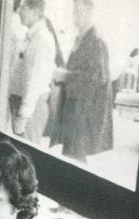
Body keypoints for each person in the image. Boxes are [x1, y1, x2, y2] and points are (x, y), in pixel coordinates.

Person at [47, 0, 113, 161]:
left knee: (75, 157)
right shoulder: (82, 39)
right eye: (74, 11)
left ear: (90, 13)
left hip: (84, 113)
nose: (74, 16)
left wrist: (65, 76)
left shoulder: (96, 42)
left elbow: (96, 78)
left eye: (79, 12)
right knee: (70, 155)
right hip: (75, 108)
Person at [9, 0, 59, 142]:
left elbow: (35, 82)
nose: (19, 11)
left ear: (36, 12)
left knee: (27, 151)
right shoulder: (29, 36)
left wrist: (23, 114)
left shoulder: (42, 40)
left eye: (24, 7)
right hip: (22, 101)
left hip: (32, 105)